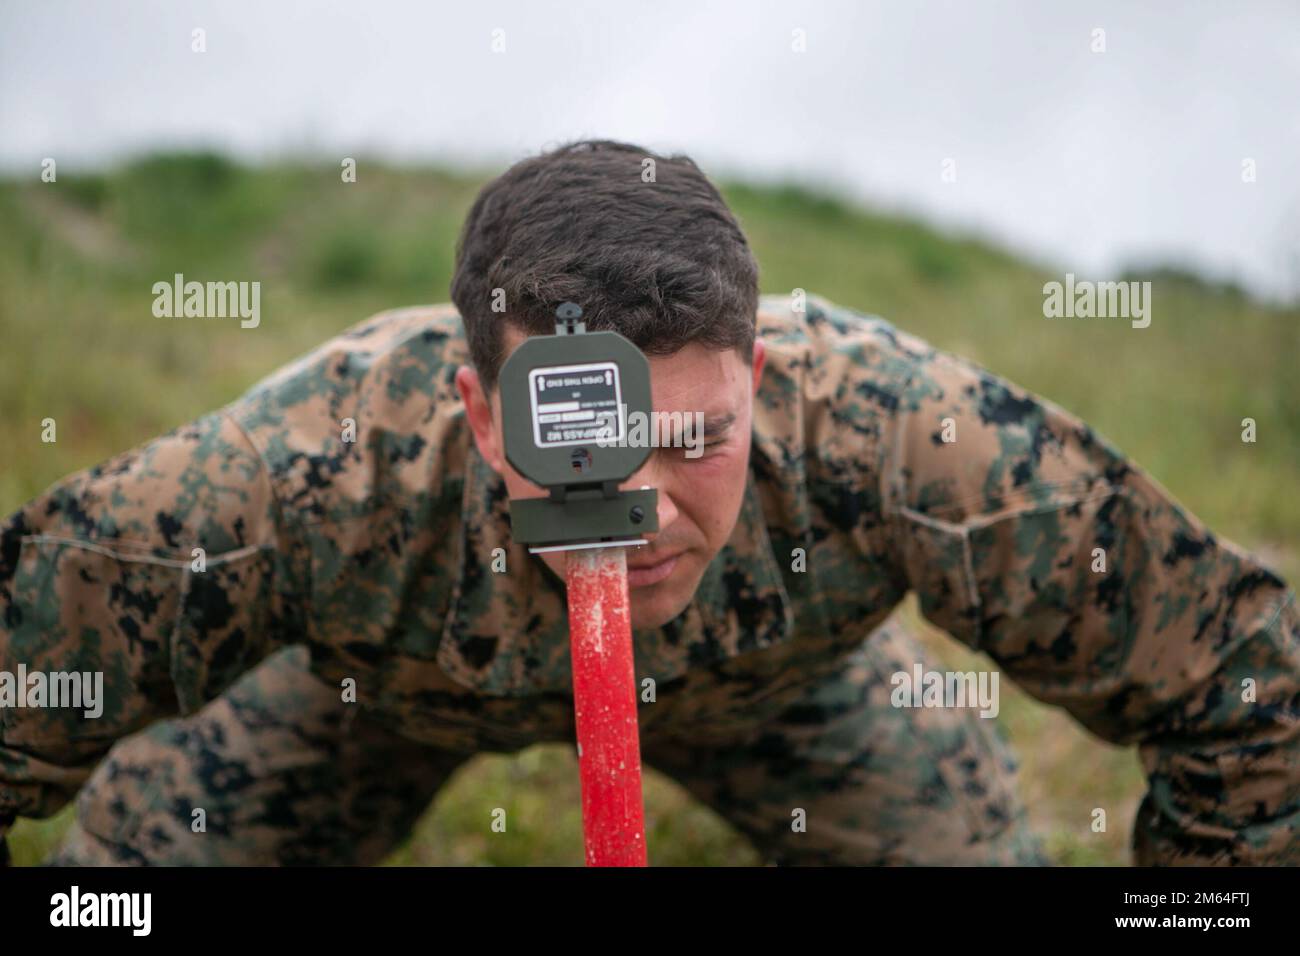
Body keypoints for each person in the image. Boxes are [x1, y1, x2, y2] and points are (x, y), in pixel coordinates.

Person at [2, 140, 1296, 866]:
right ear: (472, 408)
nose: (639, 507)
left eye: (695, 440)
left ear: (765, 381)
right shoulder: (315, 464)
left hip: (787, 693)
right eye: (579, 445)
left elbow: (1243, 690)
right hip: (366, 694)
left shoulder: (903, 434)